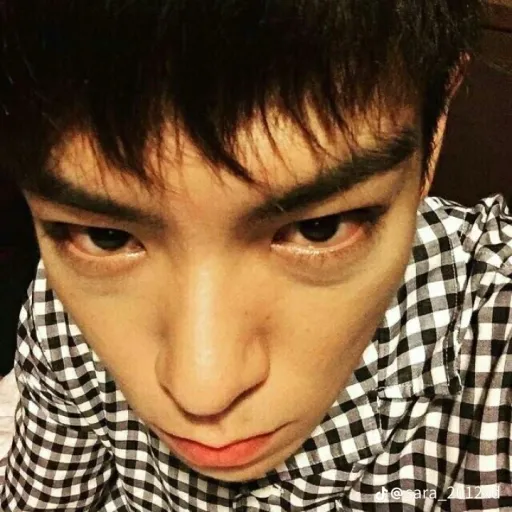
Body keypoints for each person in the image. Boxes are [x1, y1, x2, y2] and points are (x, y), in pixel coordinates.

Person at [0, 1, 511, 510]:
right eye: (108, 237)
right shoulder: (58, 309)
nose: (203, 392)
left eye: (318, 229)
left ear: (434, 129)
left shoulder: (493, 332)